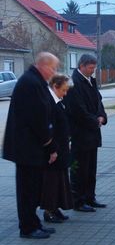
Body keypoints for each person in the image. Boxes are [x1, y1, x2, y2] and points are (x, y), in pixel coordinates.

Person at [3, 52, 59, 239]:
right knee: (27, 190)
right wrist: (50, 146)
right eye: (53, 68)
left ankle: (34, 223)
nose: (54, 72)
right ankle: (27, 228)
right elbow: (38, 120)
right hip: (27, 148)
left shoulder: (35, 81)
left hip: (32, 147)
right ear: (42, 65)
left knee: (34, 188)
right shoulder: (30, 83)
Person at [64, 54, 107, 212]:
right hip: (80, 133)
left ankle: (90, 197)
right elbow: (77, 110)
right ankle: (78, 200)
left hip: (92, 133)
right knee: (79, 170)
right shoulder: (73, 83)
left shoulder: (91, 80)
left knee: (90, 168)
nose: (93, 70)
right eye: (90, 68)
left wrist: (102, 116)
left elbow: (98, 101)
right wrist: (95, 121)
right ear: (81, 66)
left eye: (94, 67)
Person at [41, 74, 73, 223]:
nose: (65, 94)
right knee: (51, 182)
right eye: (64, 90)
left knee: (60, 180)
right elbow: (47, 129)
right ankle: (48, 211)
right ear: (55, 87)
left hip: (61, 147)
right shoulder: (48, 102)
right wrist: (52, 149)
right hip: (53, 149)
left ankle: (56, 207)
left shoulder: (58, 101)